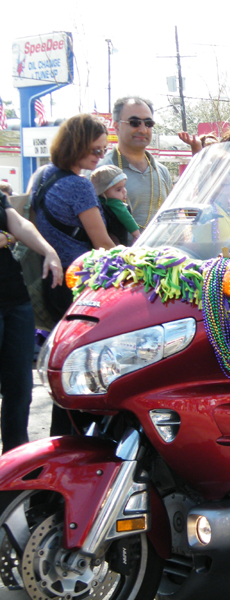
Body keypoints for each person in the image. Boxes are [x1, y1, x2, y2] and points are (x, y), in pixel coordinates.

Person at [33, 114, 116, 437]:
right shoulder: (79, 185)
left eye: (103, 151)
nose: (99, 157)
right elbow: (102, 243)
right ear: (76, 145)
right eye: (94, 150)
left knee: (64, 359)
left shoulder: (43, 176)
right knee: (83, 365)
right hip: (80, 284)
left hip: (51, 279)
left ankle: (61, 434)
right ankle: (78, 438)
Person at [1, 189, 61, 452]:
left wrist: (49, 252)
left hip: (15, 298)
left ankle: (14, 461)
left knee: (20, 388)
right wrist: (7, 236)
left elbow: (19, 224)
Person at [98, 97, 173, 229]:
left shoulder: (162, 171)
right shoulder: (100, 170)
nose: (143, 130)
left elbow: (172, 217)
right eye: (134, 123)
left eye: (148, 123)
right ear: (116, 127)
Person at [90, 165, 141, 245]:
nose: (124, 191)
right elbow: (126, 217)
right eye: (118, 189)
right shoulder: (115, 203)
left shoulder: (93, 202)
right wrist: (136, 234)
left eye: (124, 187)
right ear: (103, 192)